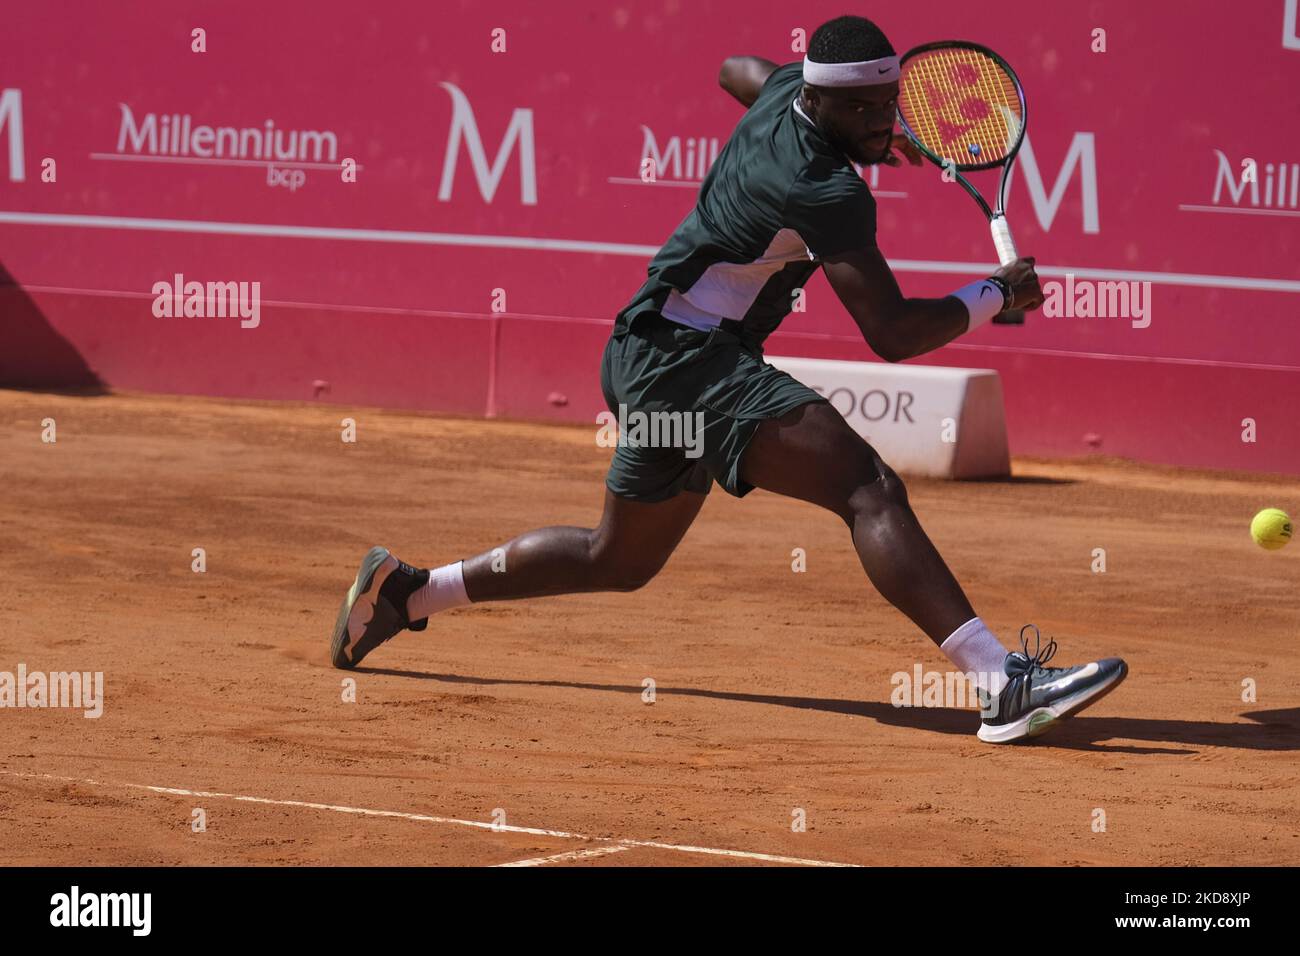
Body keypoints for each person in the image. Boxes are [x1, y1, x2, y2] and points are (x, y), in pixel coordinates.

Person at [329, 14, 1127, 743]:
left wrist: (872, 134)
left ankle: (408, 592)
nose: (890, 121)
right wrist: (995, 295)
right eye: (875, 111)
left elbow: (734, 68)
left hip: (642, 351)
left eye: (896, 104)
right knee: (868, 488)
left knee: (619, 561)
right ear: (828, 102)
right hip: (692, 367)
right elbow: (891, 334)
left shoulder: (788, 91)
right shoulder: (825, 189)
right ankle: (999, 684)